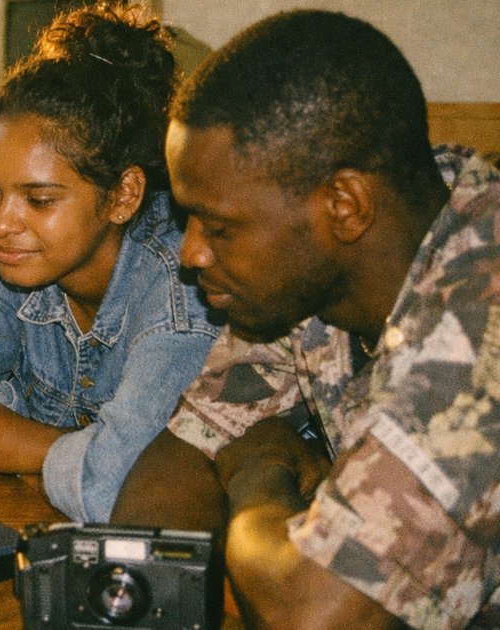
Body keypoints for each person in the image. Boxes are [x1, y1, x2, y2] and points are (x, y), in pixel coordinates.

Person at [112, 10, 500, 628]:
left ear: (344, 206)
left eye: (218, 226)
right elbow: (174, 471)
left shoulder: (479, 326)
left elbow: (312, 615)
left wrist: (257, 476)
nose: (191, 254)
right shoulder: (326, 271)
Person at [0, 3, 221, 522]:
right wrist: (73, 451)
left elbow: (124, 487)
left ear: (124, 195)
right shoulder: (14, 255)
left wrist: (6, 441)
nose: (1, 222)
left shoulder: (180, 289)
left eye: (39, 200)